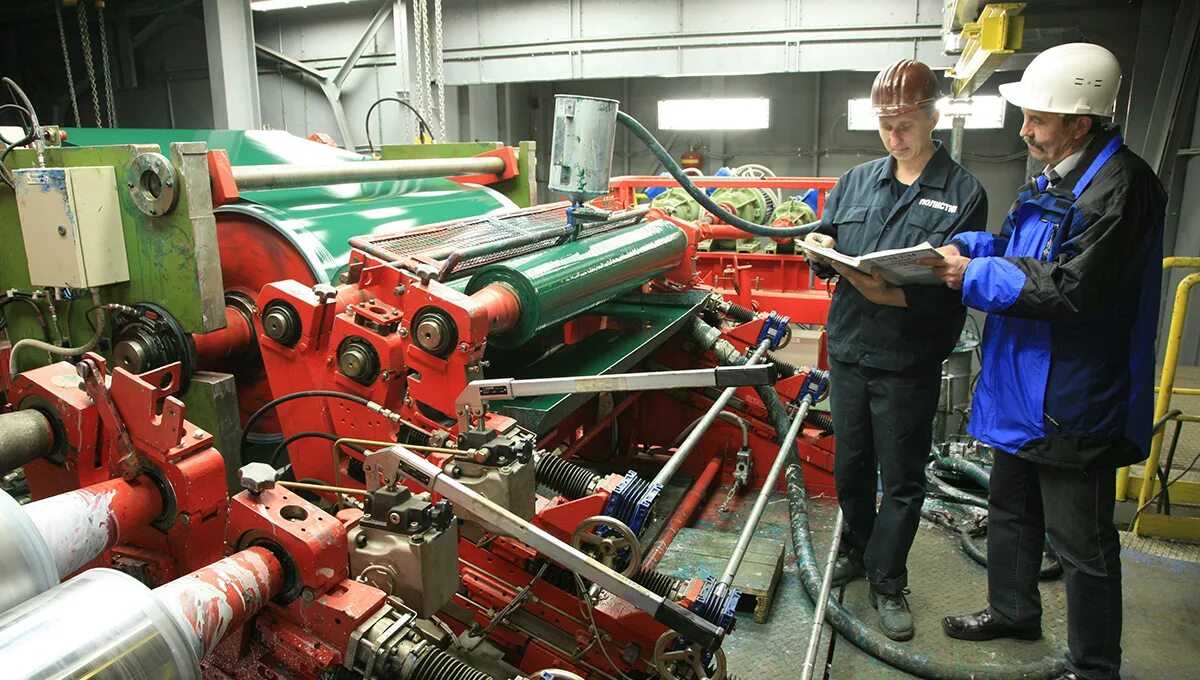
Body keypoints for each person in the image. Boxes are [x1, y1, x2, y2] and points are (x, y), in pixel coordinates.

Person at [928, 43, 1165, 680]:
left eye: (1037, 119)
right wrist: (969, 248)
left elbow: (1071, 289)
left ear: (1080, 124)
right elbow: (1020, 249)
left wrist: (974, 274)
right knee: (1009, 510)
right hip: (1022, 386)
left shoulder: (1122, 190)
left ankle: (1093, 666)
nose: (1025, 130)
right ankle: (1012, 611)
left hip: (1073, 397)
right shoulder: (1060, 176)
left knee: (1081, 544)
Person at [802, 59, 987, 641]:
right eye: (885, 123)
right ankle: (857, 551)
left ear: (933, 116)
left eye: (904, 122)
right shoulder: (857, 180)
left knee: (902, 478)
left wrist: (890, 291)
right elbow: (829, 236)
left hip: (908, 358)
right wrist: (819, 245)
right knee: (851, 466)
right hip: (852, 347)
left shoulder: (963, 192)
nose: (894, 135)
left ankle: (888, 579)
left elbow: (951, 290)